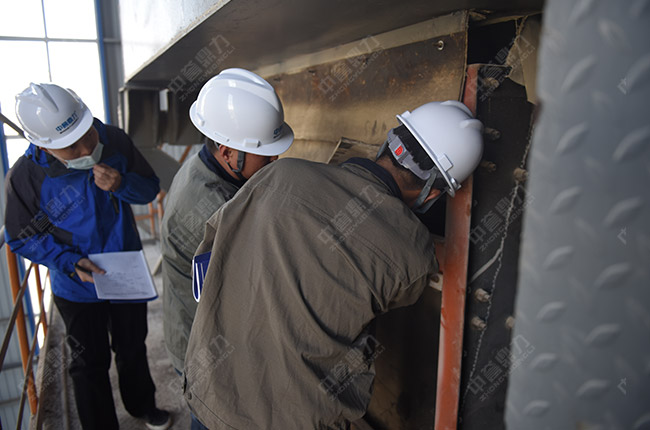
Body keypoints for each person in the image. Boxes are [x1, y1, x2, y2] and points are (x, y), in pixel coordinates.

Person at [182, 100, 484, 429]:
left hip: (209, 391)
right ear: (432, 193)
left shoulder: (280, 174)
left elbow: (210, 254)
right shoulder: (412, 253)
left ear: (389, 142)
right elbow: (400, 289)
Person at [4, 83, 171, 430]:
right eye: (72, 146)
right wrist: (68, 261)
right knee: (88, 363)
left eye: (87, 134)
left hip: (124, 272)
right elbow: (21, 237)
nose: (87, 148)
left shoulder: (114, 140)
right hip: (77, 286)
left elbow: (150, 188)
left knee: (132, 347)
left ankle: (142, 406)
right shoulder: (26, 176)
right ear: (43, 145)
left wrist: (121, 184)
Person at [160, 68, 294, 430]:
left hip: (201, 331)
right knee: (215, 416)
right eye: (263, 155)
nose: (273, 162)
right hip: (203, 348)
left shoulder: (207, 168)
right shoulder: (209, 207)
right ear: (227, 150)